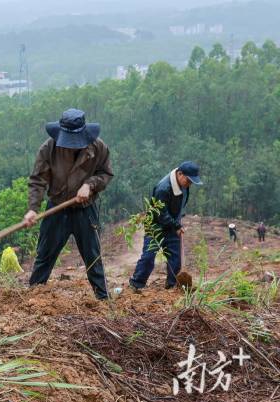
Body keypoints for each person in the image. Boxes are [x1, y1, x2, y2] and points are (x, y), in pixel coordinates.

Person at [23, 108, 114, 300]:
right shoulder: (49, 148)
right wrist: (33, 208)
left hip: (85, 210)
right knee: (45, 255)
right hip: (57, 209)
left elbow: (106, 173)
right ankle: (33, 299)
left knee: (93, 257)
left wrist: (90, 185)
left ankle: (103, 300)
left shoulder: (98, 147)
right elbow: (38, 180)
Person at [129, 161, 203, 292]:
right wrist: (176, 226)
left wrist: (179, 219)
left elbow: (180, 203)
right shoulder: (163, 188)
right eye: (189, 180)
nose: (189, 184)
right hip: (155, 226)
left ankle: (172, 286)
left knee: (175, 258)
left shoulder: (184, 184)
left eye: (192, 182)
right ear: (180, 174)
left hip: (171, 225)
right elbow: (161, 214)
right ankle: (136, 284)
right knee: (148, 257)